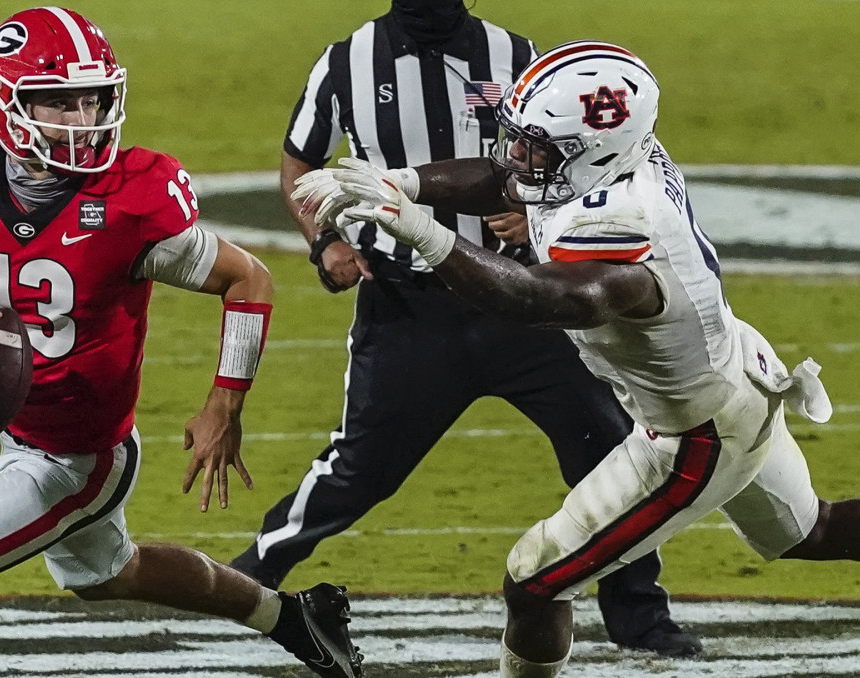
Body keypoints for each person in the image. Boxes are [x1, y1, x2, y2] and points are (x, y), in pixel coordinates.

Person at [0, 8, 363, 678]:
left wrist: (225, 404)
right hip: (24, 427)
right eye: (57, 103)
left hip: (77, 457)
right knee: (110, 572)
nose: (82, 120)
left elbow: (246, 278)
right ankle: (296, 619)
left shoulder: (132, 199)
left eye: (92, 99)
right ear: (4, 105)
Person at [295, 39, 860, 678]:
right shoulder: (610, 158)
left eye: (535, 146)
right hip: (738, 374)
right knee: (812, 533)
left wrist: (424, 232)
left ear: (591, 151)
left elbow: (544, 299)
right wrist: (403, 181)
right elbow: (502, 178)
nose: (517, 158)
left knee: (534, 582)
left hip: (694, 433)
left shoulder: (622, 217)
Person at [230, 0, 699, 656]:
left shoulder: (517, 55)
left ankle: (641, 617)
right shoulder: (346, 62)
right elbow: (299, 164)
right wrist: (326, 242)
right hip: (409, 310)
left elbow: (575, 159)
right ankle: (249, 576)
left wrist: (534, 216)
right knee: (360, 470)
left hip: (521, 304)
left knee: (608, 450)